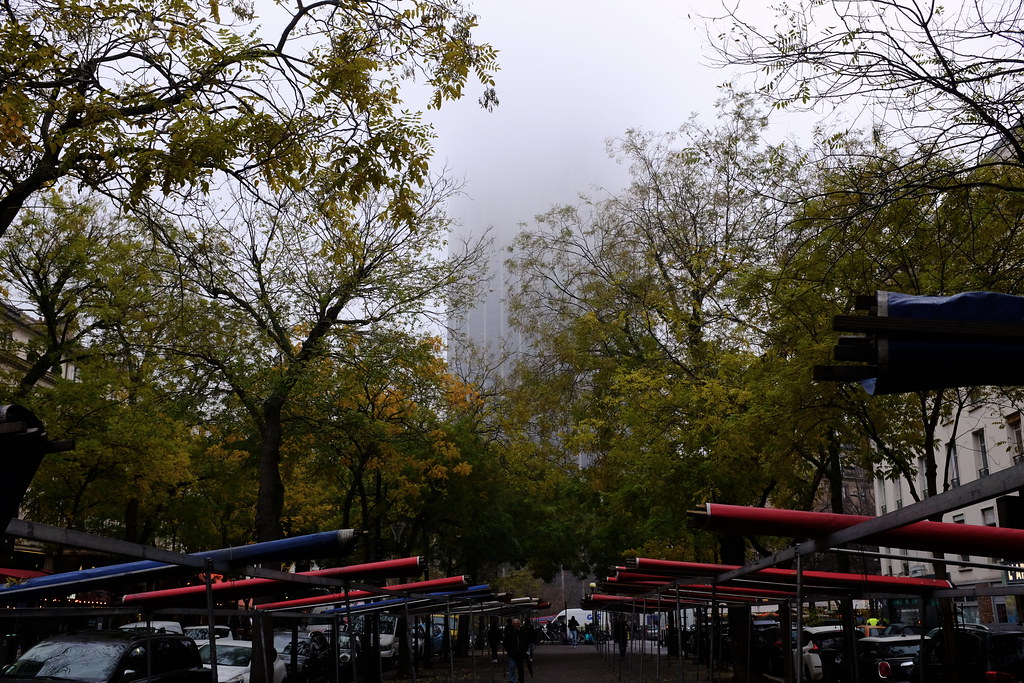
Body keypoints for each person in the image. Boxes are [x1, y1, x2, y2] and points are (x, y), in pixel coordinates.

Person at [503, 617, 531, 683]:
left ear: (519, 624)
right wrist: (508, 650)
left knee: (520, 668)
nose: (516, 625)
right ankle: (512, 680)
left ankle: (521, 680)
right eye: (514, 624)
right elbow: (505, 642)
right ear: (512, 624)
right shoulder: (509, 632)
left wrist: (524, 650)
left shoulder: (523, 632)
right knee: (512, 667)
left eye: (517, 624)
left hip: (521, 653)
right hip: (512, 653)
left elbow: (526, 642)